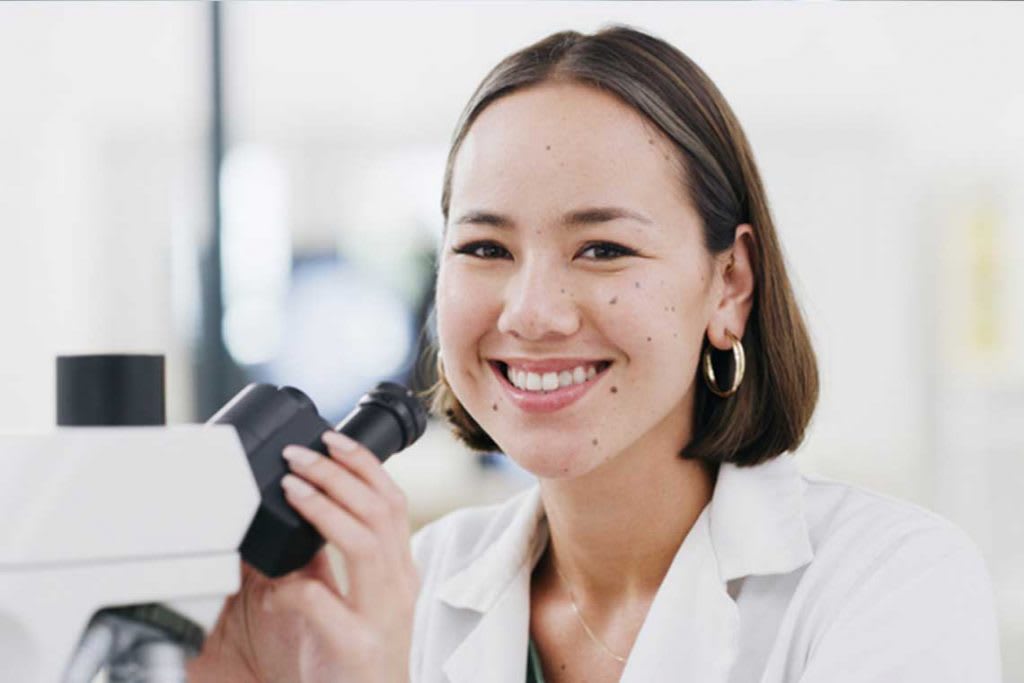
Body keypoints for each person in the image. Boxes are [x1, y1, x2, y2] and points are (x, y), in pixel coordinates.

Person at [188, 26, 1002, 683]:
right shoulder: (419, 585)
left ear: (730, 285)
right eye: (483, 248)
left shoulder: (892, 584)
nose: (532, 311)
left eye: (604, 248)